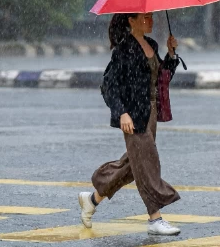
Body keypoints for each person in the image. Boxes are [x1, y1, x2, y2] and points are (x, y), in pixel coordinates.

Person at [78, 12, 182, 235]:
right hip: (133, 115)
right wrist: (122, 113)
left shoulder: (151, 44)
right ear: (131, 21)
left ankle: (92, 199)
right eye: (146, 17)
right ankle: (155, 218)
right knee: (147, 161)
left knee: (133, 165)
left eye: (151, 16)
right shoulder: (124, 50)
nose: (151, 20)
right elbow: (109, 86)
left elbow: (160, 77)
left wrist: (171, 55)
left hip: (151, 111)